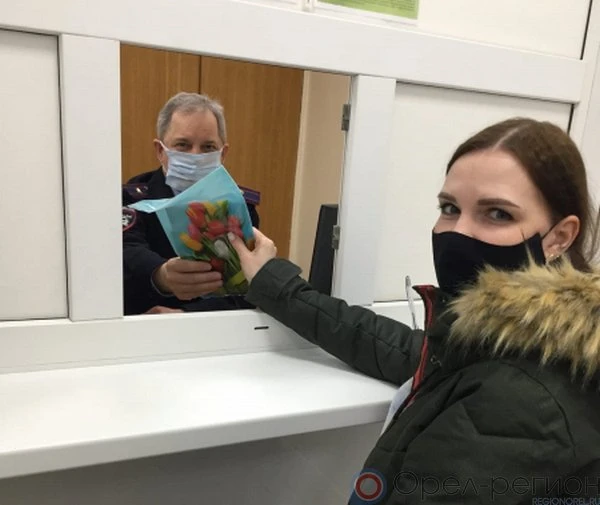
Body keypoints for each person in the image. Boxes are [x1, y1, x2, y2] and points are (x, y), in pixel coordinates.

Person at [229, 118, 600, 504]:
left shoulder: (519, 399)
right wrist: (276, 284)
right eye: (450, 208)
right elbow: (390, 344)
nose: (459, 232)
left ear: (559, 237)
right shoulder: (520, 344)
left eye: (498, 214)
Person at [122, 92, 260, 315]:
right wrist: (160, 274)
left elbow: (247, 289)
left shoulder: (239, 206)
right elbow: (124, 256)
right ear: (160, 151)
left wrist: (187, 316)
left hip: (214, 327)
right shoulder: (131, 199)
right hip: (144, 326)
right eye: (183, 145)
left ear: (223, 154)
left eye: (208, 147)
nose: (195, 156)